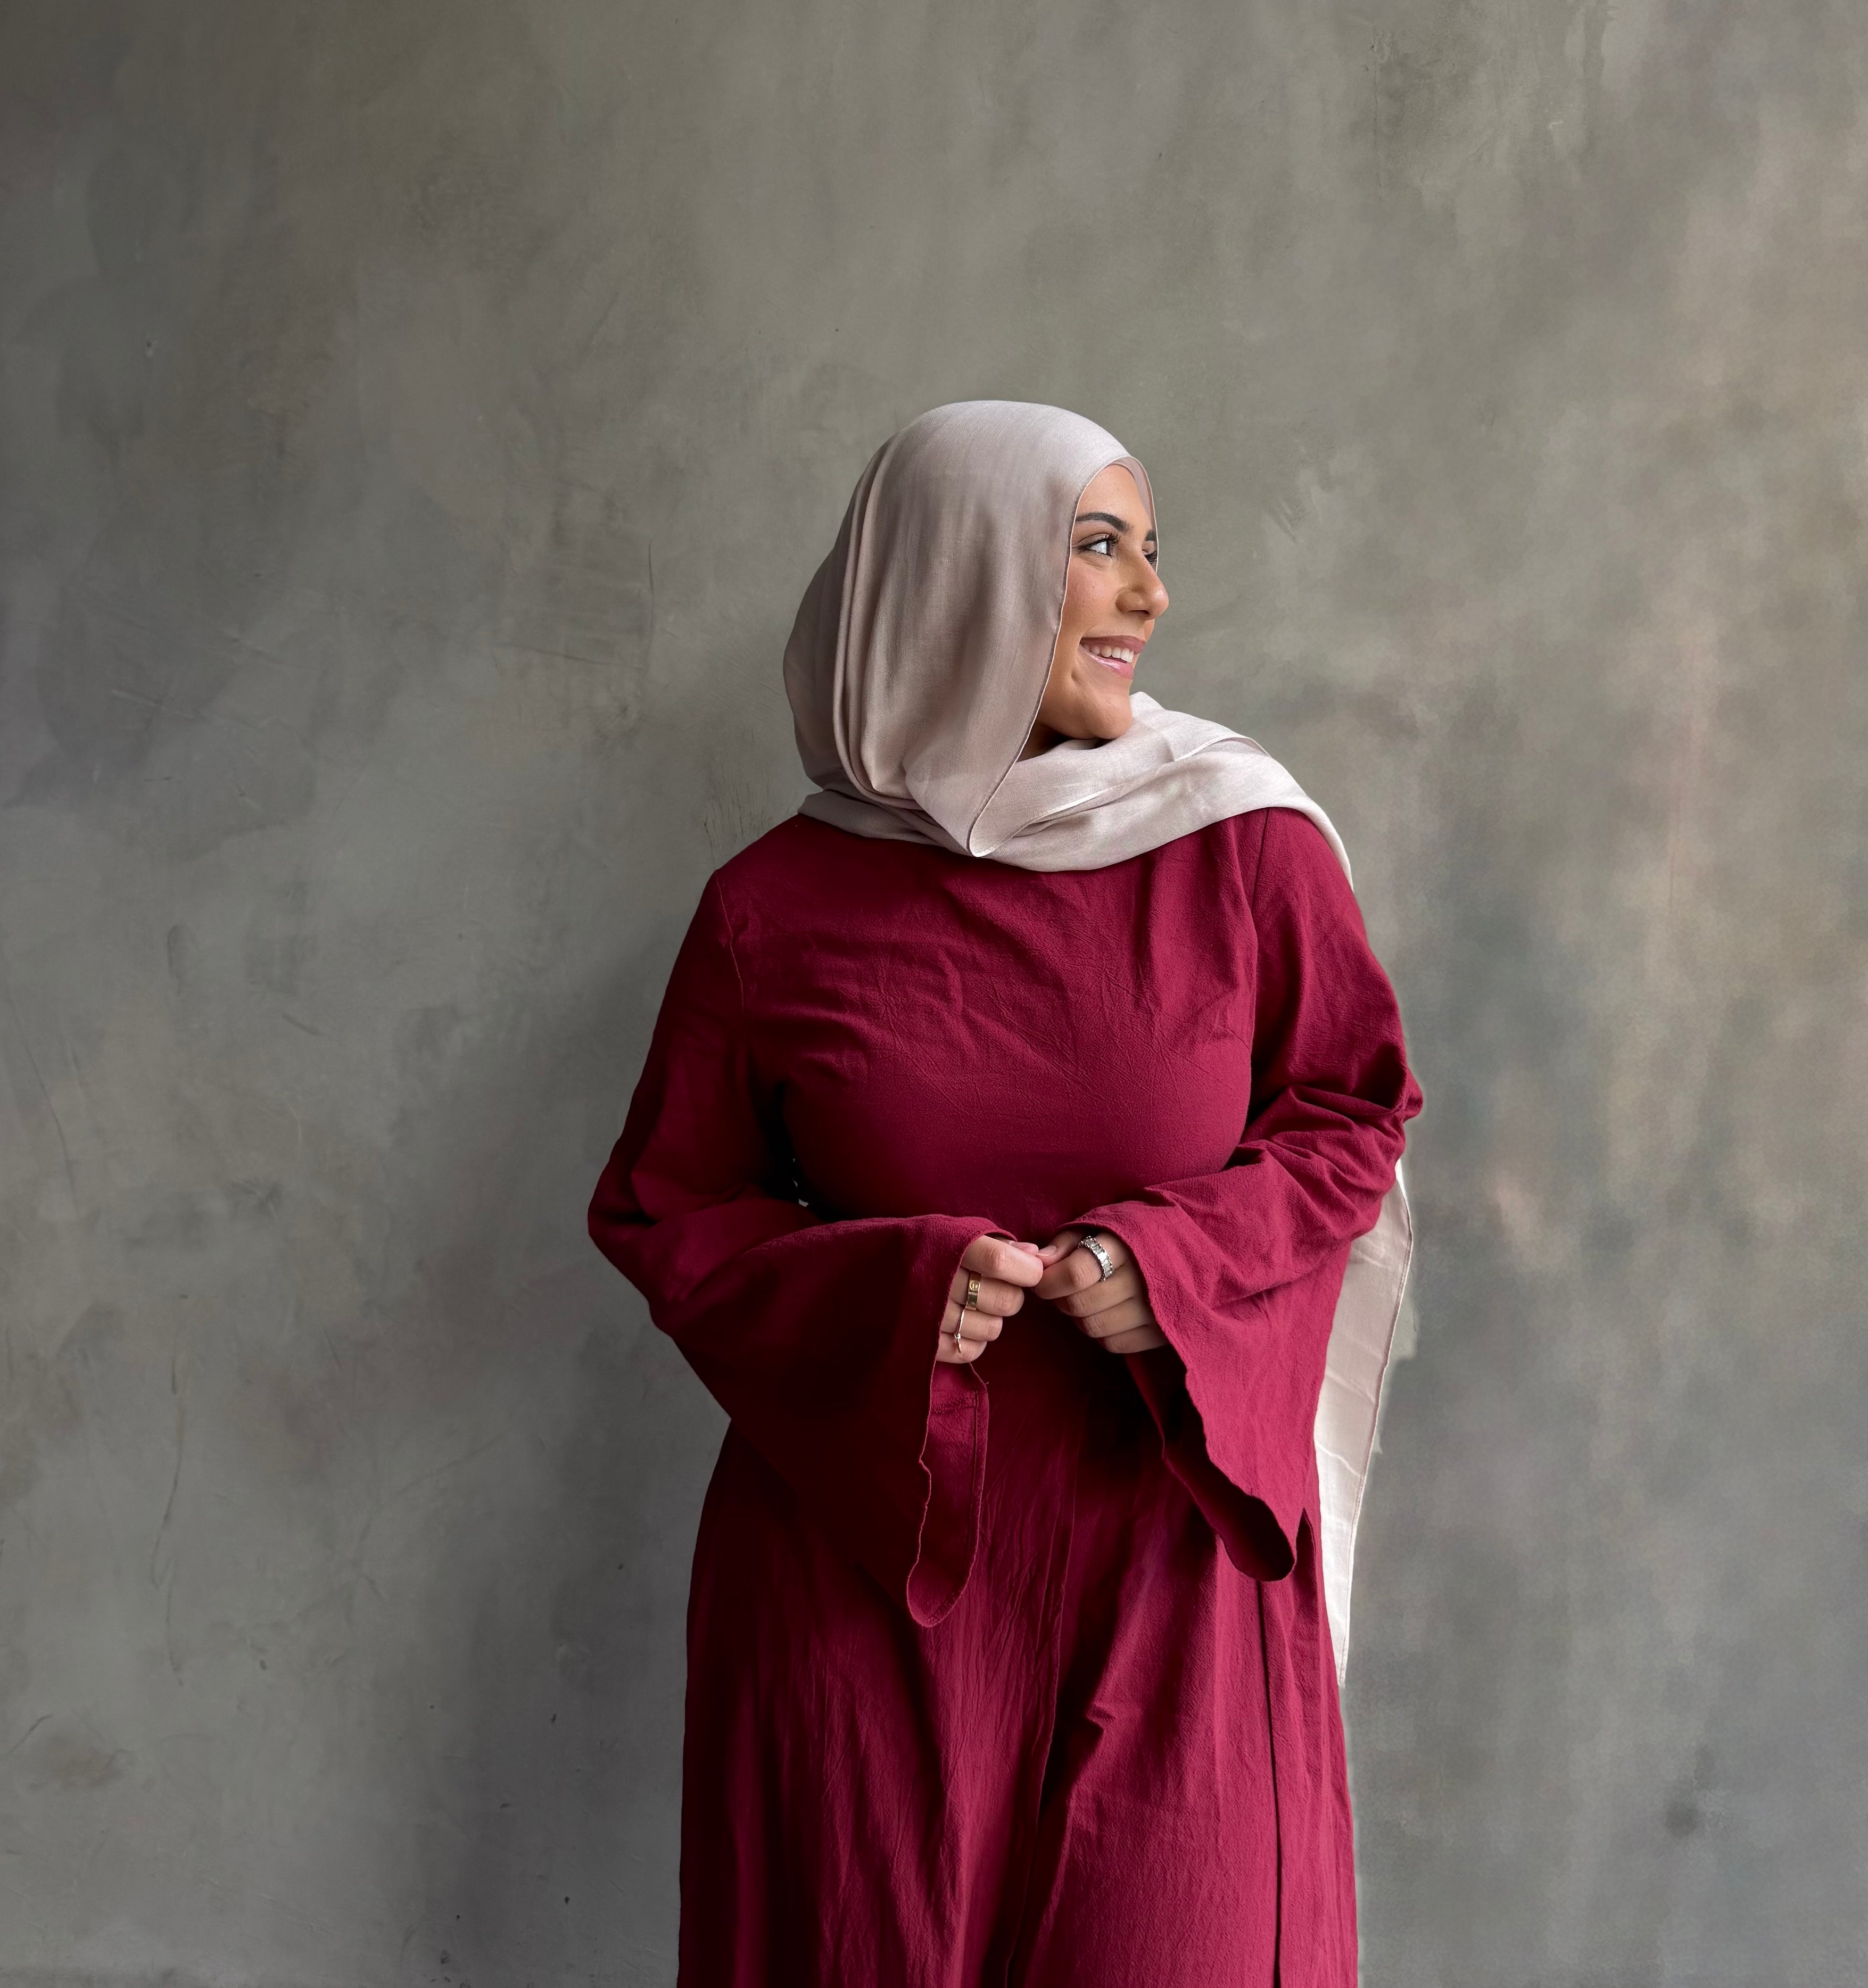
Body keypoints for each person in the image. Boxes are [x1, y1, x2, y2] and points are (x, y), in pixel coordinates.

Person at [586, 400, 1421, 1987]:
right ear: (951, 573)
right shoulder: (772, 907)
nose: (1150, 595)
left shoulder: (1241, 846)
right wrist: (893, 1292)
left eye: (1150, 550)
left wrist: (1172, 1265)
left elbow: (1351, 1110)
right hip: (865, 1567)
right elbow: (670, 1208)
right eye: (1098, 547)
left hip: (1177, 1555)